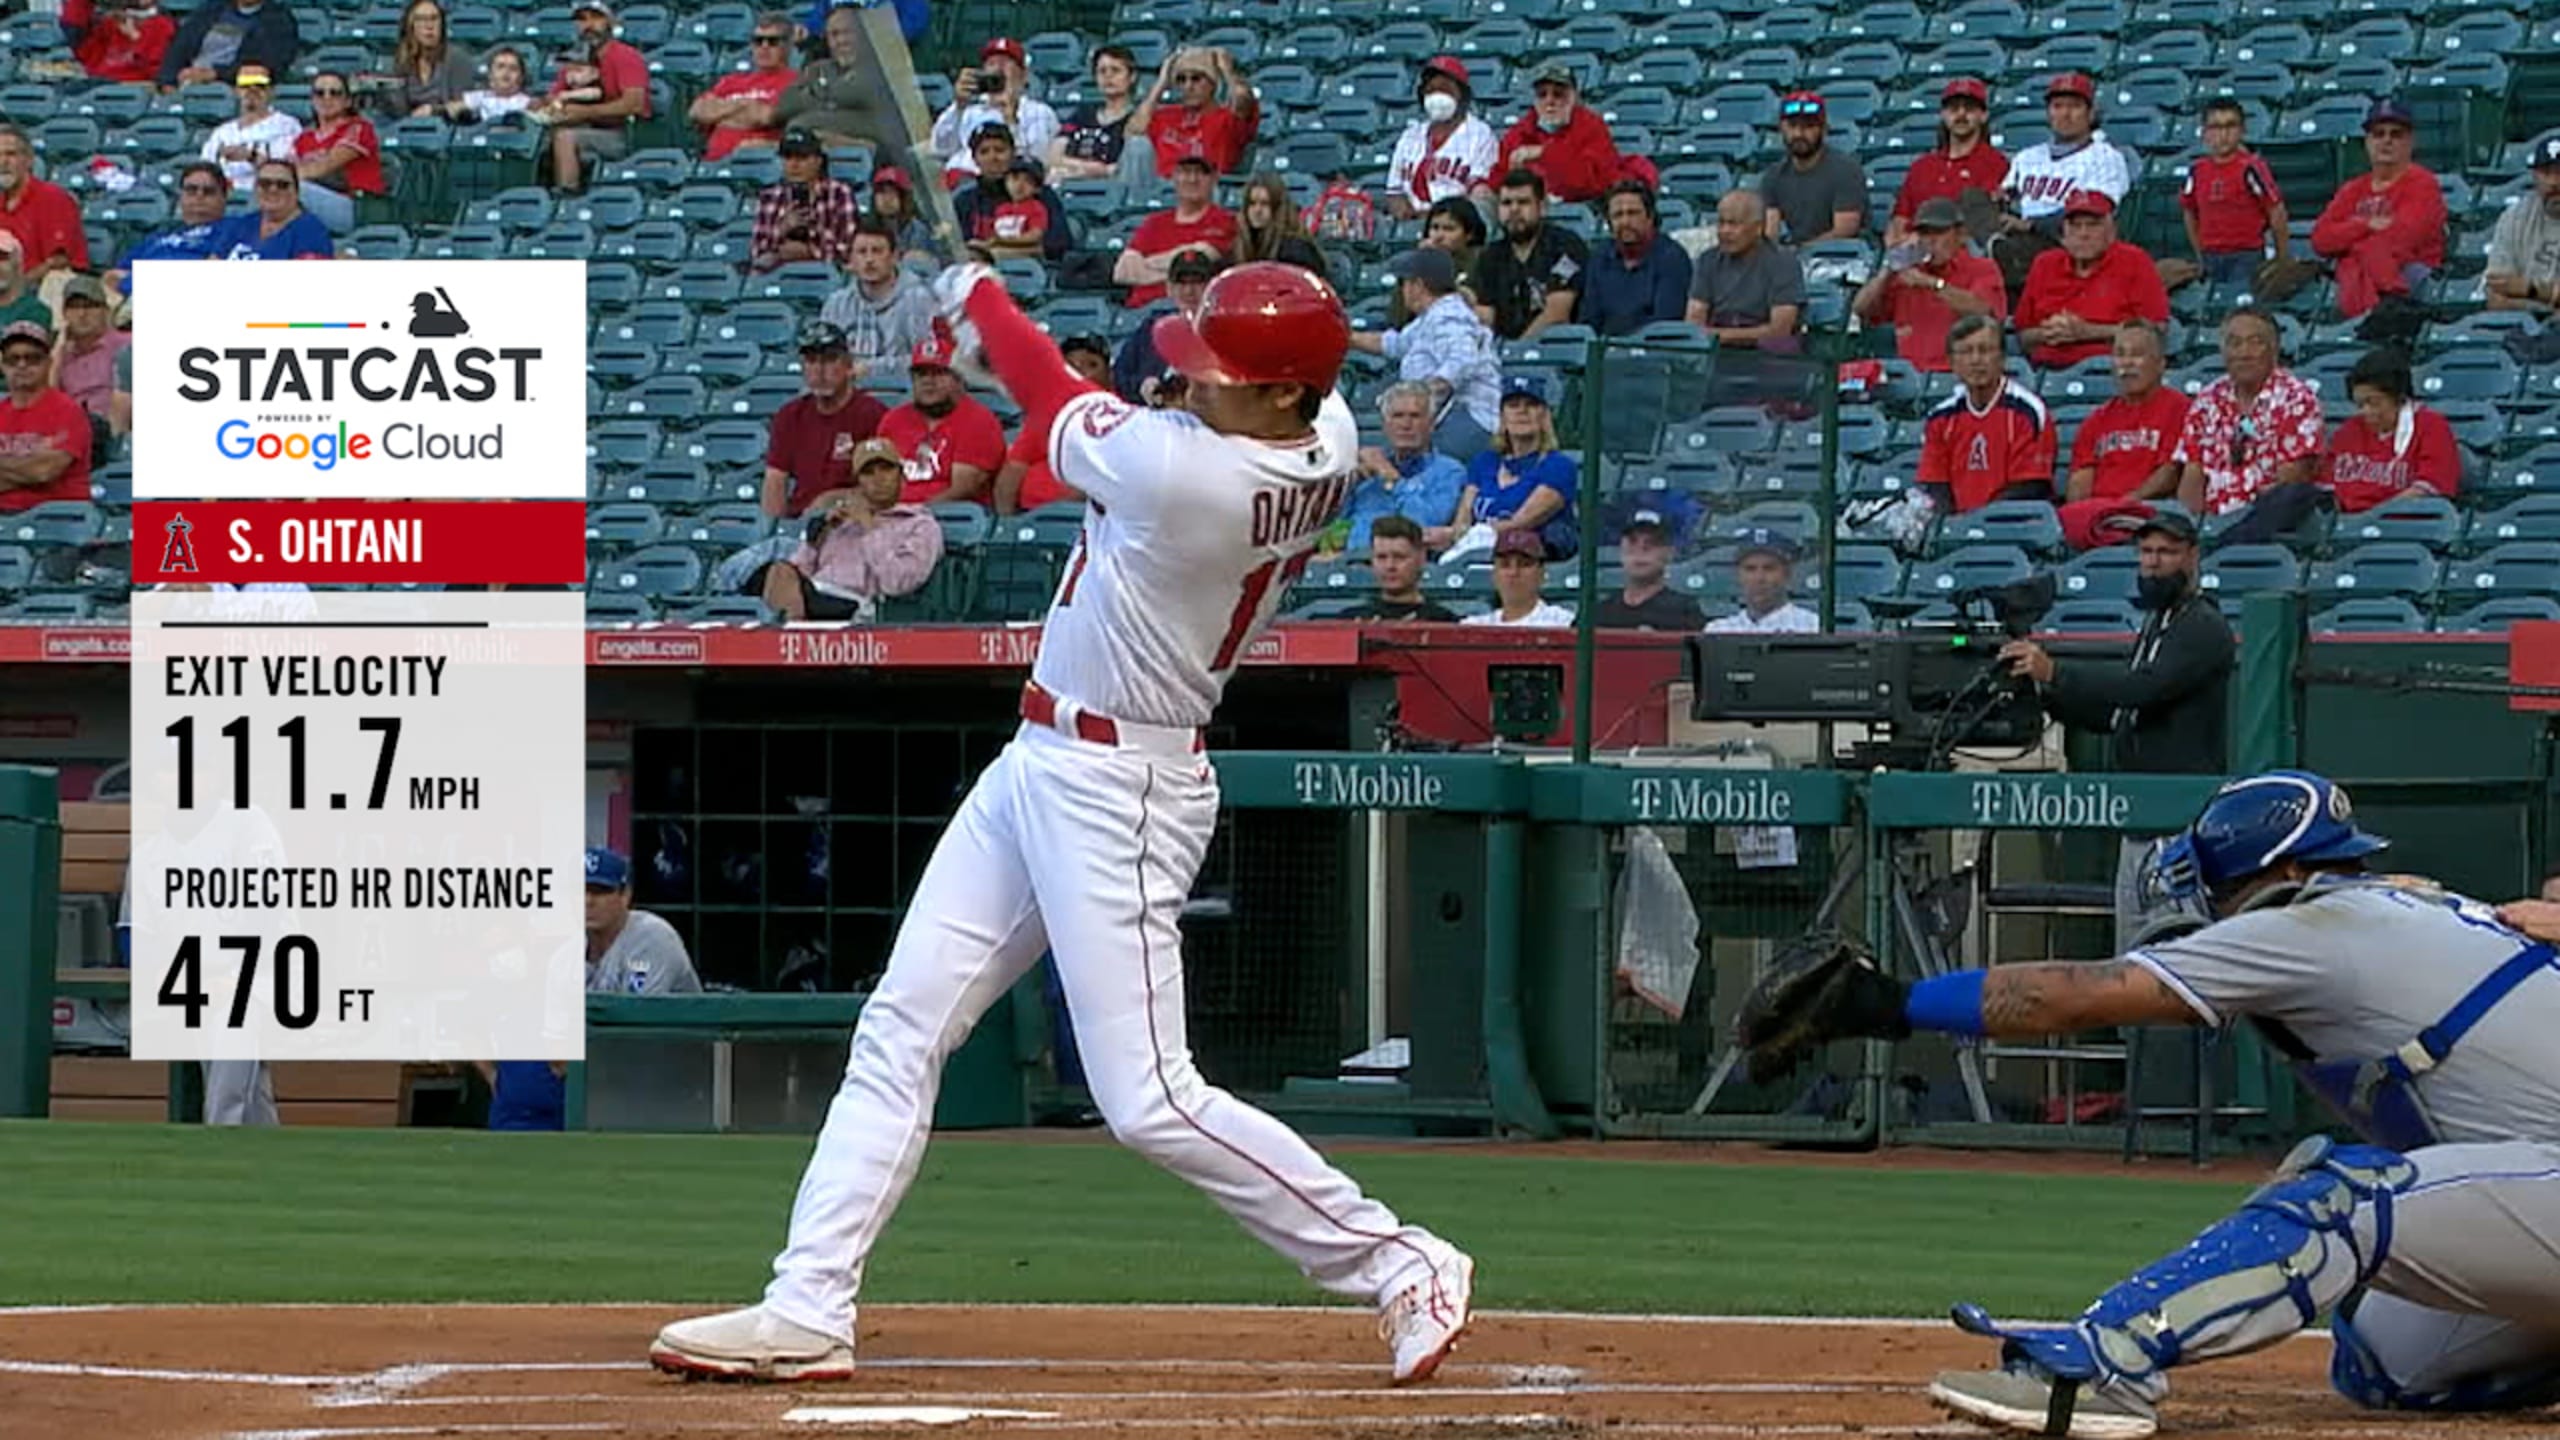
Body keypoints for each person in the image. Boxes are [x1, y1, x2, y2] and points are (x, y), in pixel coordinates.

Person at [649, 259, 1476, 1388]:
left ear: (1279, 395)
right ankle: (809, 1305)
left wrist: (980, 297)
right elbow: (1094, 393)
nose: (1192, 386)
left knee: (1148, 1099)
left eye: (1220, 375)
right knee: (901, 1025)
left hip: (1122, 790)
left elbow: (1045, 390)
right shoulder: (1323, 427)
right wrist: (1002, 349)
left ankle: (1401, 1260)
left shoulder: (1185, 476)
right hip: (1040, 759)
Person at [1746, 768, 2560, 1437]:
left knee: (2336, 1196)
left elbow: (2078, 995)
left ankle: (2107, 1362)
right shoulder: (2412, 909)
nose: (2206, 895)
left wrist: (1890, 1004)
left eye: (2219, 877)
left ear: (2279, 872)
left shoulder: (2310, 927)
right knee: (2388, 1361)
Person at [2000, 508, 2230, 945]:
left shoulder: (2202, 625)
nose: (2154, 561)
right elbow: (2116, 717)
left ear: (2193, 557)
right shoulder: (2156, 623)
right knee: (2132, 954)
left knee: (2175, 953)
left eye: (2166, 552)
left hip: (2178, 823)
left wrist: (2057, 674)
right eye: (2146, 552)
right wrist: (2046, 694)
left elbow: (2142, 689)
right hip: (2140, 820)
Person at [2172, 307, 2325, 538]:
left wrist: (2237, 519)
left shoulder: (2297, 400)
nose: (2245, 353)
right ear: (2222, 352)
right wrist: (2193, 529)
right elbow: (2193, 475)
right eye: (2234, 343)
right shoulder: (2207, 400)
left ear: (2274, 349)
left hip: (2267, 524)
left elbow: (2291, 478)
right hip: (2211, 523)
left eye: (2255, 342)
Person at [756, 437, 943, 619]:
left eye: (886, 469)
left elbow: (896, 583)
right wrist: (816, 539)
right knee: (778, 571)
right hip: (816, 595)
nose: (878, 479)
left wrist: (869, 526)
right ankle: (792, 634)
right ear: (858, 484)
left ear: (901, 477)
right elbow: (803, 571)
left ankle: (792, 637)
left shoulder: (920, 525)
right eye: (868, 472)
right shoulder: (843, 521)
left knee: (780, 582)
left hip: (860, 606)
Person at [1349, 247, 1501, 461]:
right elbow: (1394, 343)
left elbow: (1463, 360)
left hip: (1467, 419)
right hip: (1448, 420)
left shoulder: (1449, 315)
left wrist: (1423, 395)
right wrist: (1349, 338)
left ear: (1417, 286)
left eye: (1404, 283)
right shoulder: (1430, 317)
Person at [2312, 98, 2449, 322]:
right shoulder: (2353, 189)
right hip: (2360, 275)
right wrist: (2364, 225)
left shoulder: (2423, 184)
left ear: (2410, 142)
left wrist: (2349, 244)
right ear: (2367, 141)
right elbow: (2321, 239)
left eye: (2396, 134)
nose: (2386, 141)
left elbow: (2403, 240)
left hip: (2408, 278)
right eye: (2378, 134)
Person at [2059, 319, 2190, 550]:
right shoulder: (2096, 420)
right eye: (2120, 354)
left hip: (2148, 517)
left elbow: (2170, 473)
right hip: (2100, 520)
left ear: (2160, 363)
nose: (2127, 363)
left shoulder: (2179, 409)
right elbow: (2080, 482)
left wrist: (2127, 503)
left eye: (2137, 354)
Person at [1995, 73, 2130, 293]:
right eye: (2058, 106)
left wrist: (2032, 225)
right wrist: (1998, 207)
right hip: (2019, 239)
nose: (2065, 114)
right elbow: (2004, 196)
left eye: (2074, 106)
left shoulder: (2106, 157)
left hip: (2068, 242)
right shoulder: (2027, 157)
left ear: (2090, 113)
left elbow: (2097, 212)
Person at [2012, 190, 2170, 370]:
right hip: (2045, 370)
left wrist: (2088, 332)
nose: (2083, 234)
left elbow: (2156, 331)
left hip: (2110, 371)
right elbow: (2023, 335)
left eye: (2092, 225)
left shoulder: (2135, 261)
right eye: (2076, 226)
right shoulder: (2044, 264)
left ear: (2111, 231)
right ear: (2063, 234)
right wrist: (2049, 333)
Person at [1917, 314, 2056, 514]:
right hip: (1957, 529)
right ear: (1952, 362)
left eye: (1985, 350)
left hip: (2009, 525)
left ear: (2002, 358)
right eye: (1965, 352)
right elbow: (1936, 485)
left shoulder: (2028, 412)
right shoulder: (1940, 417)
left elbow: (2031, 485)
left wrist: (1979, 521)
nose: (1976, 360)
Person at [1853, 196, 2005, 372]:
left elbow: (1984, 313)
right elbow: (1861, 308)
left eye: (1939, 232)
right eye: (1925, 233)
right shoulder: (1907, 273)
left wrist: (1933, 284)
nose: (1931, 240)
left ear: (1961, 235)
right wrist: (1888, 268)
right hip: (1912, 377)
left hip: (1959, 376)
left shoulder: (1981, 268)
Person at [761, 320, 889, 520]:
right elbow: (775, 480)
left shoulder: (873, 415)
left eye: (830, 360)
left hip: (850, 522)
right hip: (799, 524)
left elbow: (883, 488)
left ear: (848, 365)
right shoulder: (790, 415)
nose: (820, 370)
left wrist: (831, 500)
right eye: (812, 361)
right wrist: (772, 528)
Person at [1446, 374, 1576, 557]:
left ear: (1544, 415)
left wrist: (1478, 534)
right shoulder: (1484, 462)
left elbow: (1520, 522)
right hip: (1475, 554)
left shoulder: (1559, 466)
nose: (1522, 411)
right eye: (1513, 405)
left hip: (1528, 560)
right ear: (1502, 417)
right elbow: (1463, 519)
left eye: (1531, 405)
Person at [2322, 346, 2460, 514]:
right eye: (2359, 404)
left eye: (2373, 402)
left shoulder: (2431, 426)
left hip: (2402, 524)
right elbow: (2327, 488)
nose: (2365, 411)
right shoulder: (2349, 431)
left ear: (2399, 398)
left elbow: (2428, 489)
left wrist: (2376, 517)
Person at [539, 0, 651, 195]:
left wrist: (584, 113)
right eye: (582, 19)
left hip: (623, 133)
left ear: (609, 21)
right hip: (588, 129)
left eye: (596, 17)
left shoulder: (626, 56)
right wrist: (558, 106)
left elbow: (634, 104)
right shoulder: (577, 60)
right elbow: (553, 96)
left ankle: (567, 197)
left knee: (566, 137)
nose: (589, 25)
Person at [880, 334, 1007, 506]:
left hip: (949, 518)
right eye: (921, 374)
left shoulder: (979, 421)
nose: (928, 381)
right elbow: (876, 481)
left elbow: (964, 488)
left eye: (938, 373)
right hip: (892, 515)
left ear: (959, 379)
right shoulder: (893, 421)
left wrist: (914, 514)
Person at [2177, 97, 2289, 292]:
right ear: (2205, 133)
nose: (2224, 134)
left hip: (2247, 256)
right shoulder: (2197, 171)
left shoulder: (2252, 167)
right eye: (2215, 127)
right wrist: (2200, 253)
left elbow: (2276, 210)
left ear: (2242, 130)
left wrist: (2282, 258)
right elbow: (2189, 211)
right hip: (2211, 255)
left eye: (2230, 126)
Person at [1340, 382, 1468, 552]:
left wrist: (1389, 476)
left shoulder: (1449, 472)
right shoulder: (1364, 470)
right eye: (1397, 416)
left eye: (1415, 416)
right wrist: (1350, 481)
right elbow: (1332, 523)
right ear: (1385, 425)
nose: (1406, 425)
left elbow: (1424, 524)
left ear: (1431, 424)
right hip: (1353, 564)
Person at [991, 336, 1108, 514]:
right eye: (1071, 367)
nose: (1081, 374)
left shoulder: (1120, 418)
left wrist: (1056, 513)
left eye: (1091, 365)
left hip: (1082, 518)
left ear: (1109, 373)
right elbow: (1012, 472)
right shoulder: (1046, 414)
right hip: (1028, 516)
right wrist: (1006, 526)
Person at [1495, 62, 1641, 205]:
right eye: (1542, 95)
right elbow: (1497, 180)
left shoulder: (1592, 128)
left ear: (1574, 97)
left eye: (1558, 94)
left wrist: (1545, 153)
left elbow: (1591, 183)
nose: (1549, 101)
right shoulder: (1520, 133)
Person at [1888, 77, 2007, 247]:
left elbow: (1980, 226)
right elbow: (1899, 220)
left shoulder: (1995, 163)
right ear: (1943, 115)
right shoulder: (1922, 166)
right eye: (1954, 108)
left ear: (1984, 116)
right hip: (1914, 255)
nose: (1961, 114)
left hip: (1965, 259)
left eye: (1969, 108)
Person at [931, 37, 1061, 187]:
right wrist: (958, 106)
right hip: (964, 185)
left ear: (1023, 75)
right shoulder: (969, 111)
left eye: (1005, 63)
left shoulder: (1039, 112)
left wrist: (1010, 119)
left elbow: (1034, 160)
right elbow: (941, 149)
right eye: (991, 63)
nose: (998, 69)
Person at [1472, 170, 1585, 342]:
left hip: (1552, 351)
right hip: (1502, 354)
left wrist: (1516, 350)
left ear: (1542, 207)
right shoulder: (1491, 255)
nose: (1514, 209)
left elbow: (1557, 314)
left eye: (1523, 202)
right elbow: (1487, 315)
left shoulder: (1565, 245)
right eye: (1506, 203)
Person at [1684, 190, 1805, 348]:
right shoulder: (1708, 260)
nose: (1725, 231)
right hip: (1717, 351)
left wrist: (1719, 336)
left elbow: (1779, 331)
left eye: (1733, 224)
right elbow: (1694, 322)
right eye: (1721, 223)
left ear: (1758, 228)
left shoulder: (1784, 263)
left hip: (1766, 354)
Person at [818, 219, 936, 381]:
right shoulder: (836, 304)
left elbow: (928, 360)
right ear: (851, 261)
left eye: (877, 251)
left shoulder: (919, 300)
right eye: (862, 252)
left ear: (894, 257)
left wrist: (872, 370)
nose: (869, 260)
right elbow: (823, 359)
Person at [1115, 153, 1235, 307]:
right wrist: (1176, 270)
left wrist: (1146, 264)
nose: (1192, 179)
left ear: (1214, 179)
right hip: (1141, 312)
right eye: (1186, 172)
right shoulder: (1154, 223)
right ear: (1174, 177)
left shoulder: (1225, 221)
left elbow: (1203, 258)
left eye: (1201, 173)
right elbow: (1122, 272)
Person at [1386, 55, 1498, 220]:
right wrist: (1406, 215)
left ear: (1461, 93)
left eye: (1445, 89)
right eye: (1431, 90)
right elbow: (1394, 192)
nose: (1437, 96)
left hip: (1458, 225)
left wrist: (1436, 219)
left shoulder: (1480, 135)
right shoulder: (1410, 136)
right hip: (1412, 223)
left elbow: (1480, 196)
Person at [0, 321, 92, 515]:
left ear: (48, 362)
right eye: (12, 359)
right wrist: (26, 468)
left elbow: (44, 471)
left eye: (32, 358)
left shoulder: (68, 410)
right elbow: (35, 470)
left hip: (59, 520)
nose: (22, 365)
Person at [1578, 180, 1691, 336]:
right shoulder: (1599, 257)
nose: (1625, 222)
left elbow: (1665, 325)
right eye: (1618, 215)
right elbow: (1590, 320)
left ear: (1650, 217)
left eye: (1633, 213)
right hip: (1606, 352)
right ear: (1609, 223)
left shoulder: (1672, 258)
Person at [774, 7, 894, 152]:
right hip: (814, 151)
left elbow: (855, 93)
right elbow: (785, 104)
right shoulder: (817, 69)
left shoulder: (882, 68)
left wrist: (816, 94)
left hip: (869, 153)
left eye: (848, 33)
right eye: (834, 35)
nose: (841, 41)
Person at [1132, 45, 1259, 178]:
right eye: (1181, 80)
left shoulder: (1226, 119)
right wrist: (1162, 81)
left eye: (1196, 78)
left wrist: (1227, 71)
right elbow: (1134, 131)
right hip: (1166, 190)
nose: (1188, 86)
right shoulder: (1166, 116)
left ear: (1212, 84)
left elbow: (1243, 100)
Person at [950, 125, 1070, 263]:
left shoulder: (1040, 194)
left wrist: (1000, 253)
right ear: (974, 159)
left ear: (1012, 153)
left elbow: (1059, 245)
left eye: (1000, 150)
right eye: (984, 152)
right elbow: (955, 246)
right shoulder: (965, 200)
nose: (993, 157)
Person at [1760, 91, 1867, 245]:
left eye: (1808, 126)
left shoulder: (1846, 170)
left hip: (1843, 256)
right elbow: (1770, 232)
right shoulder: (1774, 175)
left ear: (1824, 129)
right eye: (1792, 126)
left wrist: (1801, 252)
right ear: (1781, 129)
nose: (1799, 133)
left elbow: (1845, 230)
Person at [1111, 250, 1218, 404]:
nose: (1188, 291)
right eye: (1181, 283)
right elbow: (1119, 375)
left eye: (1197, 282)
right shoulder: (1152, 328)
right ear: (1169, 288)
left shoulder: (1223, 332)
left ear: (1212, 286)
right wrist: (1142, 386)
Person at [687, 12, 797, 160]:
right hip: (713, 163)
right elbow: (697, 111)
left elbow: (765, 117)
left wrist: (721, 114)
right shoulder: (731, 80)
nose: (764, 47)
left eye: (773, 41)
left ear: (788, 45)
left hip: (760, 161)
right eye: (758, 41)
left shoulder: (795, 81)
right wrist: (744, 106)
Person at [752, 128, 859, 271]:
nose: (794, 165)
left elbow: (849, 250)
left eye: (802, 158)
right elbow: (757, 252)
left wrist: (810, 251)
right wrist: (781, 230)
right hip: (779, 276)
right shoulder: (768, 197)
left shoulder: (840, 193)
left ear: (818, 161)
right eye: (788, 158)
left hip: (827, 275)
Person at [291, 70, 384, 234]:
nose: (327, 98)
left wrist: (285, 176)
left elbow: (324, 167)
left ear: (347, 101)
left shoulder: (359, 128)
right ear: (312, 100)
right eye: (320, 93)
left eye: (335, 93)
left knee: (288, 189)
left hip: (355, 207)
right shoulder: (304, 138)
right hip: (315, 202)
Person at [1047, 43, 1148, 183]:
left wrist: (1075, 167)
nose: (1108, 76)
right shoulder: (1082, 115)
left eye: (1116, 70)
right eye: (1102, 71)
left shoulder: (1136, 119)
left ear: (1132, 77)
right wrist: (1094, 169)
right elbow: (1054, 155)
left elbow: (1125, 168)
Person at [49, 276, 126, 459]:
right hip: (70, 438)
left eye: (90, 306)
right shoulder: (60, 355)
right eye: (74, 307)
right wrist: (58, 351)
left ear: (105, 311)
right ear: (64, 314)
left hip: (114, 435)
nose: (82, 314)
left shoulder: (127, 344)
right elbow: (47, 401)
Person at [1593, 509, 1704, 630]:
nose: (1641, 549)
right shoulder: (1599, 613)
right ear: (1621, 550)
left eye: (1653, 542)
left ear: (1669, 553)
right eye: (1632, 541)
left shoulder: (1685, 612)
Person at [2486, 136, 2560, 315]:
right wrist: (2547, 306)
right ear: (2534, 177)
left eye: (2559, 172)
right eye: (2545, 173)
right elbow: (2495, 297)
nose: (2553, 182)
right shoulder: (2515, 218)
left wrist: (2529, 289)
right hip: (2524, 333)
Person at [0, 135, 88, 285]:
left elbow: (58, 261)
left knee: (56, 279)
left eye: (11, 154)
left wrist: (18, 288)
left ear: (29, 160)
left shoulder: (53, 198)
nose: (3, 162)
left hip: (41, 287)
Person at [208, 157, 333, 258]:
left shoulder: (310, 232)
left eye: (282, 185)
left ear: (296, 191)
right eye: (265, 184)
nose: (273, 189)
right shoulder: (243, 223)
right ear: (255, 189)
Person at [157, 0, 299, 88]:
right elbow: (178, 49)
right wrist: (168, 82)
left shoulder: (279, 20)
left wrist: (215, 74)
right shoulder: (210, 10)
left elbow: (268, 65)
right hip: (189, 82)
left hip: (234, 87)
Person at [201, 64, 300, 189]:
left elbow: (286, 172)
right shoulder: (222, 133)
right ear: (236, 91)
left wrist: (251, 156)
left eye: (260, 85)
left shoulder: (287, 125)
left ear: (271, 91)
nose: (252, 90)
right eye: (245, 85)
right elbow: (205, 171)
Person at [1704, 531, 1818, 633]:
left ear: (1787, 574)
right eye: (1750, 569)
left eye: (1769, 568)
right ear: (1738, 575)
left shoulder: (1812, 627)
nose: (1759, 578)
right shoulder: (1719, 631)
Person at [1350, 516, 1457, 621]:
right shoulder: (1350, 621)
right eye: (1381, 557)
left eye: (1399, 557)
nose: (1390, 566)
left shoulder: (1444, 622)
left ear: (1421, 558)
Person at [1462, 529, 1575, 627]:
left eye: (1524, 564)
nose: (1514, 572)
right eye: (1505, 565)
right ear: (1494, 575)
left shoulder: (1562, 622)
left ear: (1541, 573)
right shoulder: (1475, 626)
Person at [381, 0, 473, 118]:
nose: (429, 26)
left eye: (434, 18)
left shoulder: (457, 58)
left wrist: (435, 111)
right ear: (410, 26)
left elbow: (464, 107)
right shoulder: (399, 61)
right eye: (421, 19)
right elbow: (395, 109)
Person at [1233, 171, 1329, 280]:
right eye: (1252, 203)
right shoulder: (1239, 248)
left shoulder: (1297, 251)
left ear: (1277, 208)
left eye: (1265, 204)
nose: (1257, 210)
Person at [74, 0, 175, 84]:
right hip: (100, 84)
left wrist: (134, 36)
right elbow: (87, 58)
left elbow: (157, 72)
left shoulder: (162, 26)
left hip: (134, 89)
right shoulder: (111, 23)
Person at [447, 45, 534, 124]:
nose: (506, 72)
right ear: (490, 75)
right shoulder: (478, 97)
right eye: (500, 66)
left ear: (521, 77)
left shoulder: (527, 103)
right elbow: (452, 107)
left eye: (513, 68)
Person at [865, 166, 931, 257]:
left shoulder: (917, 230)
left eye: (892, 193)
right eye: (881, 193)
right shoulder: (864, 230)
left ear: (904, 199)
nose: (887, 200)